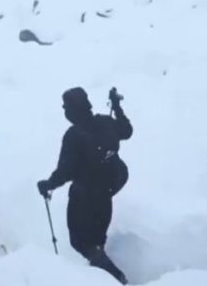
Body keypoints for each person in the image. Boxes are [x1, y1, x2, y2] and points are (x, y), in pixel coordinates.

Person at [36, 87, 132, 285]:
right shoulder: (105, 122)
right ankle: (100, 275)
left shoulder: (73, 135)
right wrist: (116, 106)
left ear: (71, 111)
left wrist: (48, 185)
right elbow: (126, 131)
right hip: (108, 190)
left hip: (85, 197)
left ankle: (116, 278)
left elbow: (65, 171)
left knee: (80, 242)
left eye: (66, 108)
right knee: (97, 239)